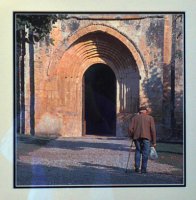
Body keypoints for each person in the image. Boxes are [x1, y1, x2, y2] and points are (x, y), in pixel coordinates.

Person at [129, 106, 156, 173]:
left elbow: (130, 128)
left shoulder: (134, 118)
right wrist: (154, 141)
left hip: (137, 138)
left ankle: (137, 168)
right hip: (146, 138)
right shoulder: (150, 118)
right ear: (145, 111)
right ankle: (143, 169)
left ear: (139, 111)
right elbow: (153, 130)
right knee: (145, 153)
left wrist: (132, 136)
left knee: (138, 151)